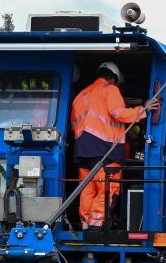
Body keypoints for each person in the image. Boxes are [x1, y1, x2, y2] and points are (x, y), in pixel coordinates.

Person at [68, 62, 159, 228]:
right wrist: (143, 109)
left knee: (88, 190)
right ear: (115, 79)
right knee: (108, 188)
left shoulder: (80, 96)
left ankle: (85, 225)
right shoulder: (110, 89)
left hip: (82, 150)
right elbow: (120, 114)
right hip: (105, 150)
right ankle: (96, 226)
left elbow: (74, 126)